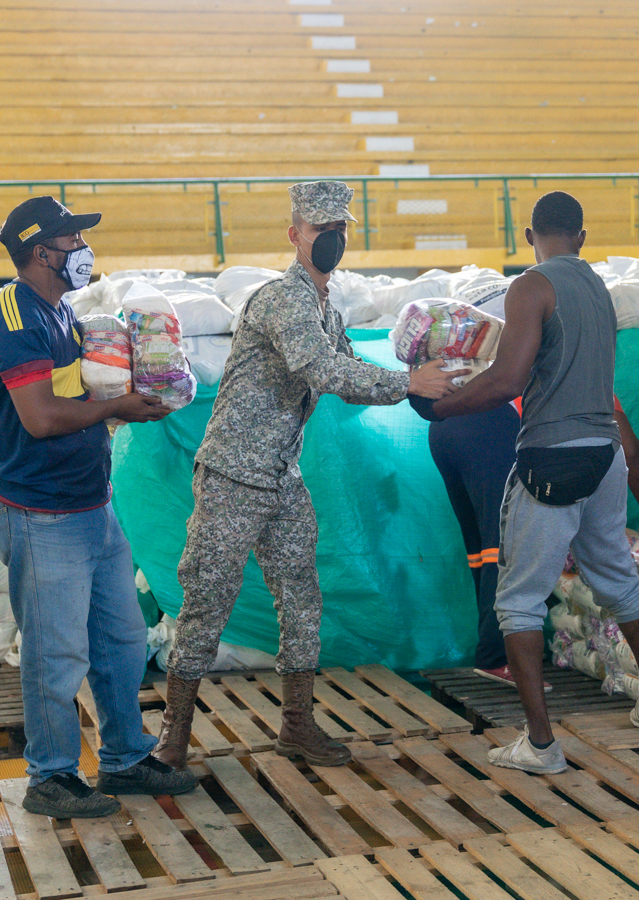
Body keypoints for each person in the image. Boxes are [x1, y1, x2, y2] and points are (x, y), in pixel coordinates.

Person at [154, 181, 461, 769]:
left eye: (340, 229)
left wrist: (420, 368)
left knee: (301, 600)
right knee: (207, 603)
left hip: (280, 475)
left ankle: (296, 726)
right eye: (321, 230)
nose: (332, 240)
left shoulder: (327, 305)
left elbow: (348, 362)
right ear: (295, 235)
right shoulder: (282, 298)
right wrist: (409, 385)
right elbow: (320, 369)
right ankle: (173, 737)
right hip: (232, 475)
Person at [412, 191, 639, 775]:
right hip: (605, 455)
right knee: (617, 578)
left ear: (530, 233)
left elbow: (508, 378)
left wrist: (441, 406)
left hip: (551, 458)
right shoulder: (598, 290)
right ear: (581, 236)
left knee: (518, 601)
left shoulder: (530, 286)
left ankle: (539, 745)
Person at [0, 196, 197, 818]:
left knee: (122, 639)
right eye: (71, 240)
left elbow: (88, 385)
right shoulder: (15, 315)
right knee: (56, 653)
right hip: (42, 514)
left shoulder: (62, 312)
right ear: (40, 251)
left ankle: (125, 758)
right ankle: (50, 775)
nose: (82, 249)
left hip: (91, 507)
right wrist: (117, 409)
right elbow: (42, 416)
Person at [428, 395, 639, 689]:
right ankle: (497, 657)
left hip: (446, 428)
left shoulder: (540, 365)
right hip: (488, 427)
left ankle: (495, 653)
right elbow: (628, 451)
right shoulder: (592, 386)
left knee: (484, 548)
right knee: (508, 545)